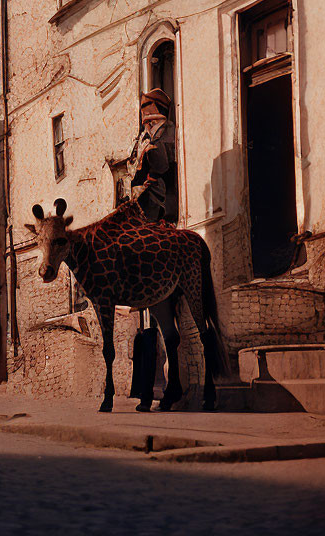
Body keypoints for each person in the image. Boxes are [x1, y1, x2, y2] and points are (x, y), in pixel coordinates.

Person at [127, 88, 178, 410]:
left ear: (160, 110)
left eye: (150, 107)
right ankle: (146, 386)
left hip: (163, 211)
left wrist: (151, 146)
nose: (145, 113)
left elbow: (161, 167)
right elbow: (135, 170)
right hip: (143, 208)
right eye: (143, 107)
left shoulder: (169, 134)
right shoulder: (141, 137)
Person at [128, 88, 177, 224]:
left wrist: (147, 180)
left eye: (145, 106)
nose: (142, 111)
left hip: (161, 202)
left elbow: (162, 164)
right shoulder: (151, 136)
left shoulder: (167, 132)